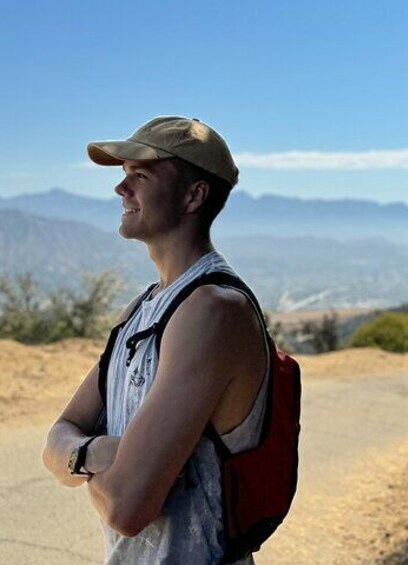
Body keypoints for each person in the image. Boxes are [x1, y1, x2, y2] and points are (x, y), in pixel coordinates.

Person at [41, 116, 269, 564]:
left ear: (194, 195)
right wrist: (101, 451)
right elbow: (56, 437)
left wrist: (81, 459)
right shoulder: (144, 308)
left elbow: (128, 506)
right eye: (124, 176)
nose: (120, 190)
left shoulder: (213, 311)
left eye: (140, 176)